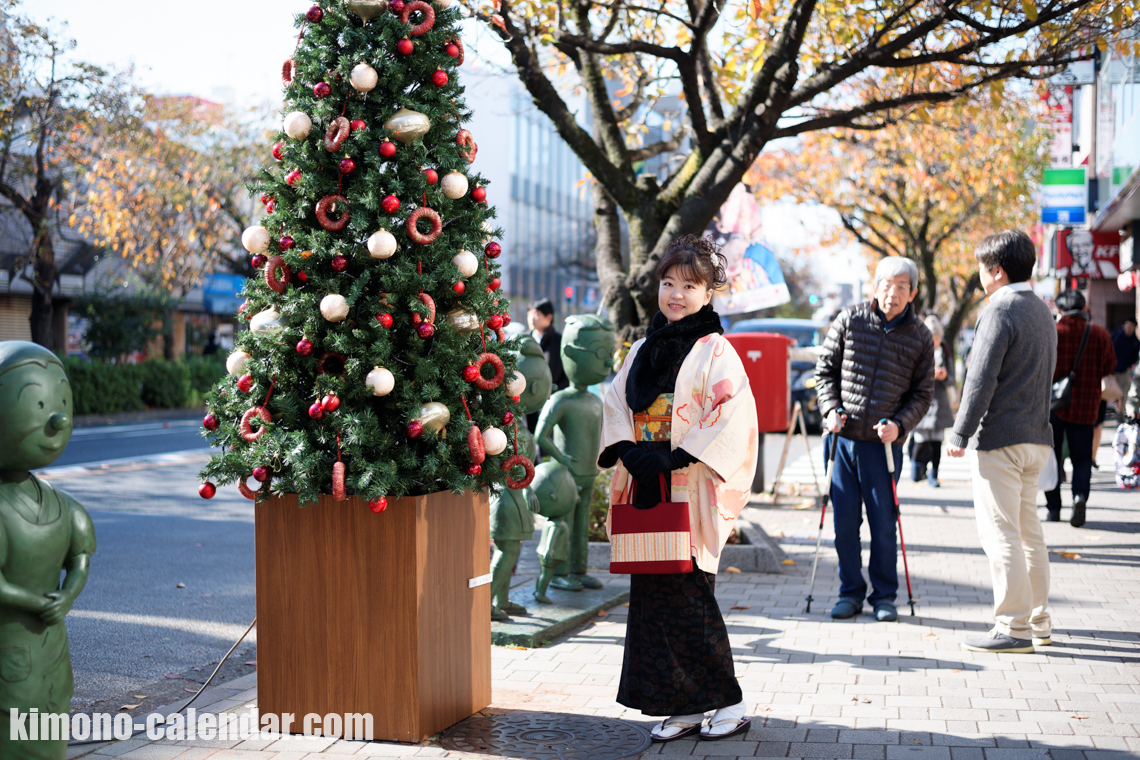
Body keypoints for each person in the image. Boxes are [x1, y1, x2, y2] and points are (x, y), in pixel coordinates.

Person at [598, 235, 758, 742]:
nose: (676, 294)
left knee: (689, 596)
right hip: (646, 480)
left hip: (688, 485)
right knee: (651, 597)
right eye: (669, 283)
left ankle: (729, 701)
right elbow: (615, 403)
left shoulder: (718, 351)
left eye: (689, 285)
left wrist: (673, 456)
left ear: (709, 293)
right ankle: (684, 706)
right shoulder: (643, 347)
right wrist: (630, 452)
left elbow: (732, 418)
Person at [946, 230, 1057, 654]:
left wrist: (960, 432)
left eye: (981, 267)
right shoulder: (1043, 311)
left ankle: (1012, 626)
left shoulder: (999, 310)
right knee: (1029, 533)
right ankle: (1039, 621)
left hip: (1002, 441)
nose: (979, 275)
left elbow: (980, 378)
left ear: (996, 271)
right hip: (1036, 439)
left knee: (1002, 534)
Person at [814, 257, 934, 622]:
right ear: (873, 286)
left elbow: (922, 394)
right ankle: (850, 593)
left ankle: (885, 596)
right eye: (886, 284)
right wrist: (830, 410)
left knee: (884, 524)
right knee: (844, 524)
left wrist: (900, 425)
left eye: (901, 286)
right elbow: (825, 372)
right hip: (843, 441)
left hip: (885, 447)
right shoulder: (849, 319)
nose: (892, 293)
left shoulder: (920, 336)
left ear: (912, 293)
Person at [1044, 289, 1116, 527]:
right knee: (1082, 458)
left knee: (1051, 458)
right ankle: (1079, 496)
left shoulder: (1052, 332)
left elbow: (1043, 369)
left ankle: (1053, 509)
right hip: (1087, 406)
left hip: (1054, 406)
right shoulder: (1100, 334)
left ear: (1060, 309)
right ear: (1084, 308)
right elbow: (1109, 367)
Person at [911, 315, 955, 487]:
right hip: (922, 400)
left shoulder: (946, 351)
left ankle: (933, 474)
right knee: (921, 440)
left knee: (937, 442)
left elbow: (952, 379)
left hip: (940, 402)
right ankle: (917, 467)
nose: (934, 341)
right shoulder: (917, 351)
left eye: (937, 338)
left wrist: (944, 377)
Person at [526, 299, 568, 435]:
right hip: (527, 400)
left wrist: (552, 391)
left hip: (551, 401)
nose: (532, 318)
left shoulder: (559, 342)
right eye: (530, 314)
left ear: (549, 317)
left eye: (537, 314)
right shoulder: (524, 341)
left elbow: (567, 375)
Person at [1111, 317, 1139, 410]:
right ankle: (1110, 411)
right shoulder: (1116, 335)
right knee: (1108, 391)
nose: (1128, 328)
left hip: (1123, 371)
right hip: (1110, 370)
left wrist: (1127, 365)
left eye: (1131, 326)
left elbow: (1134, 358)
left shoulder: (1135, 342)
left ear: (1135, 328)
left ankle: (1121, 414)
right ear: (1124, 325)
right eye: (1127, 325)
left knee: (1123, 393)